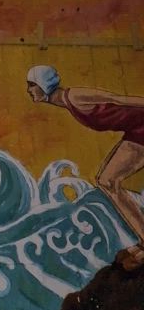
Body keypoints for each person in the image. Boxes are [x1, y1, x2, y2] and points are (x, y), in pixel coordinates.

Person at [26, 65, 144, 269]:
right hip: (136, 130)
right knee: (107, 181)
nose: (28, 90)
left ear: (44, 85)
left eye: (31, 84)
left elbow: (118, 99)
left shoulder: (75, 96)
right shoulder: (68, 103)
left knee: (108, 181)